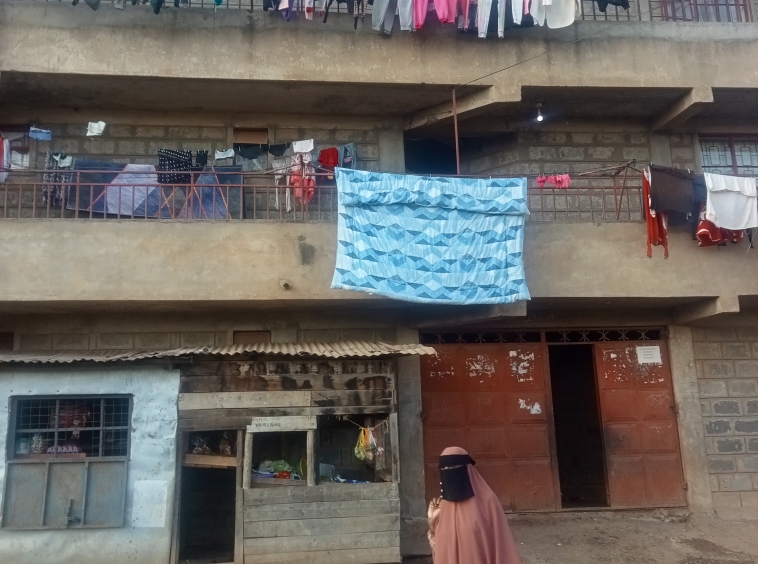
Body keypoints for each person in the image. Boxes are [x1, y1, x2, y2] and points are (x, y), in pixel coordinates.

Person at [427, 447, 522, 564]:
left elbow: (501, 548)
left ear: (468, 469)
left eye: (454, 467)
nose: (449, 472)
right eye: (445, 468)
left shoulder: (488, 502)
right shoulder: (443, 507)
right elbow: (442, 552)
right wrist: (433, 523)